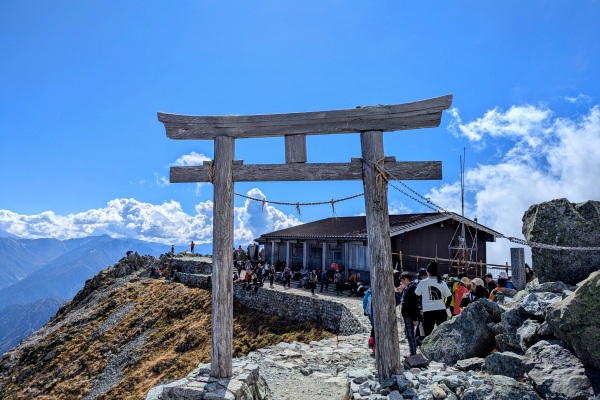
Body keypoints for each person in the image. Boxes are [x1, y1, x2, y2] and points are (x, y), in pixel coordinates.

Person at [414, 262, 452, 337]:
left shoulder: (422, 282)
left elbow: (416, 294)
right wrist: (445, 306)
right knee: (443, 333)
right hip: (441, 310)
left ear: (428, 272)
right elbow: (449, 297)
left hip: (428, 311)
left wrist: (419, 308)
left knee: (428, 334)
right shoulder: (442, 283)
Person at [397, 272, 419, 357]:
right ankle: (412, 351)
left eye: (402, 280)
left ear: (406, 279)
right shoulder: (407, 288)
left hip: (410, 314)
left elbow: (414, 305)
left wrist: (414, 318)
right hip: (407, 314)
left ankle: (413, 353)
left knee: (410, 335)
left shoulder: (412, 289)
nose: (401, 282)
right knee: (409, 334)